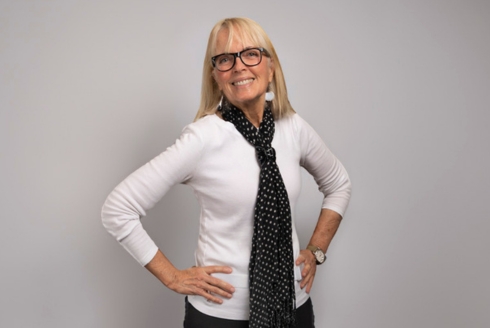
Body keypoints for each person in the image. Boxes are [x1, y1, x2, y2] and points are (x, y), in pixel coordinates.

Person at [101, 17, 351, 328]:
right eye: (225, 59)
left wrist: (316, 250)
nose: (239, 67)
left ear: (271, 67)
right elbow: (118, 209)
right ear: (216, 75)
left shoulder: (293, 127)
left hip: (293, 307)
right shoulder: (203, 138)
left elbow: (339, 184)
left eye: (251, 54)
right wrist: (173, 276)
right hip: (220, 316)